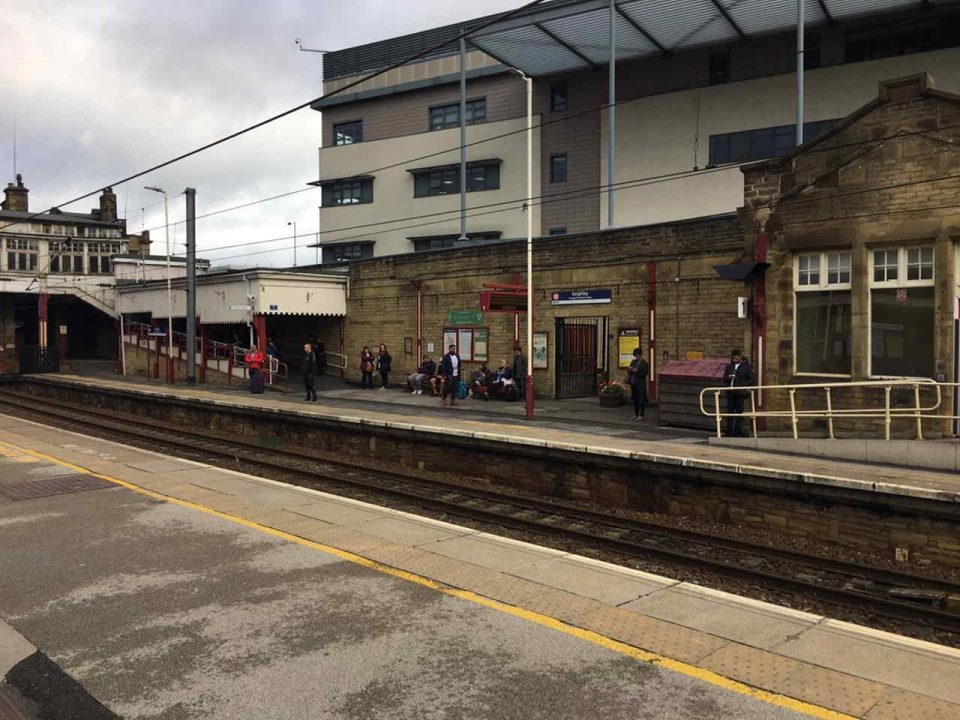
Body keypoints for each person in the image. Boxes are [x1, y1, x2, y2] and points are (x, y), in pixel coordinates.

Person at [723, 348, 753, 437]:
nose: (734, 360)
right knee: (730, 412)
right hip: (730, 392)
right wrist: (729, 377)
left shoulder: (746, 367)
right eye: (733, 358)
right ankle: (729, 432)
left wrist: (742, 384)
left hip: (740, 392)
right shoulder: (729, 366)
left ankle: (737, 431)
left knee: (739, 412)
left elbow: (751, 379)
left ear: (740, 357)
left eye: (736, 358)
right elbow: (724, 378)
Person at [628, 347, 650, 420]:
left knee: (641, 400)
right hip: (633, 383)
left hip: (640, 384)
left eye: (637, 355)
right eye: (635, 355)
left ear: (640, 355)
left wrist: (636, 371)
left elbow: (644, 374)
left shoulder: (645, 364)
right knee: (635, 399)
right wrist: (630, 370)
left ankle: (641, 415)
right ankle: (635, 414)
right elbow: (629, 370)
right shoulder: (633, 362)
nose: (636, 357)